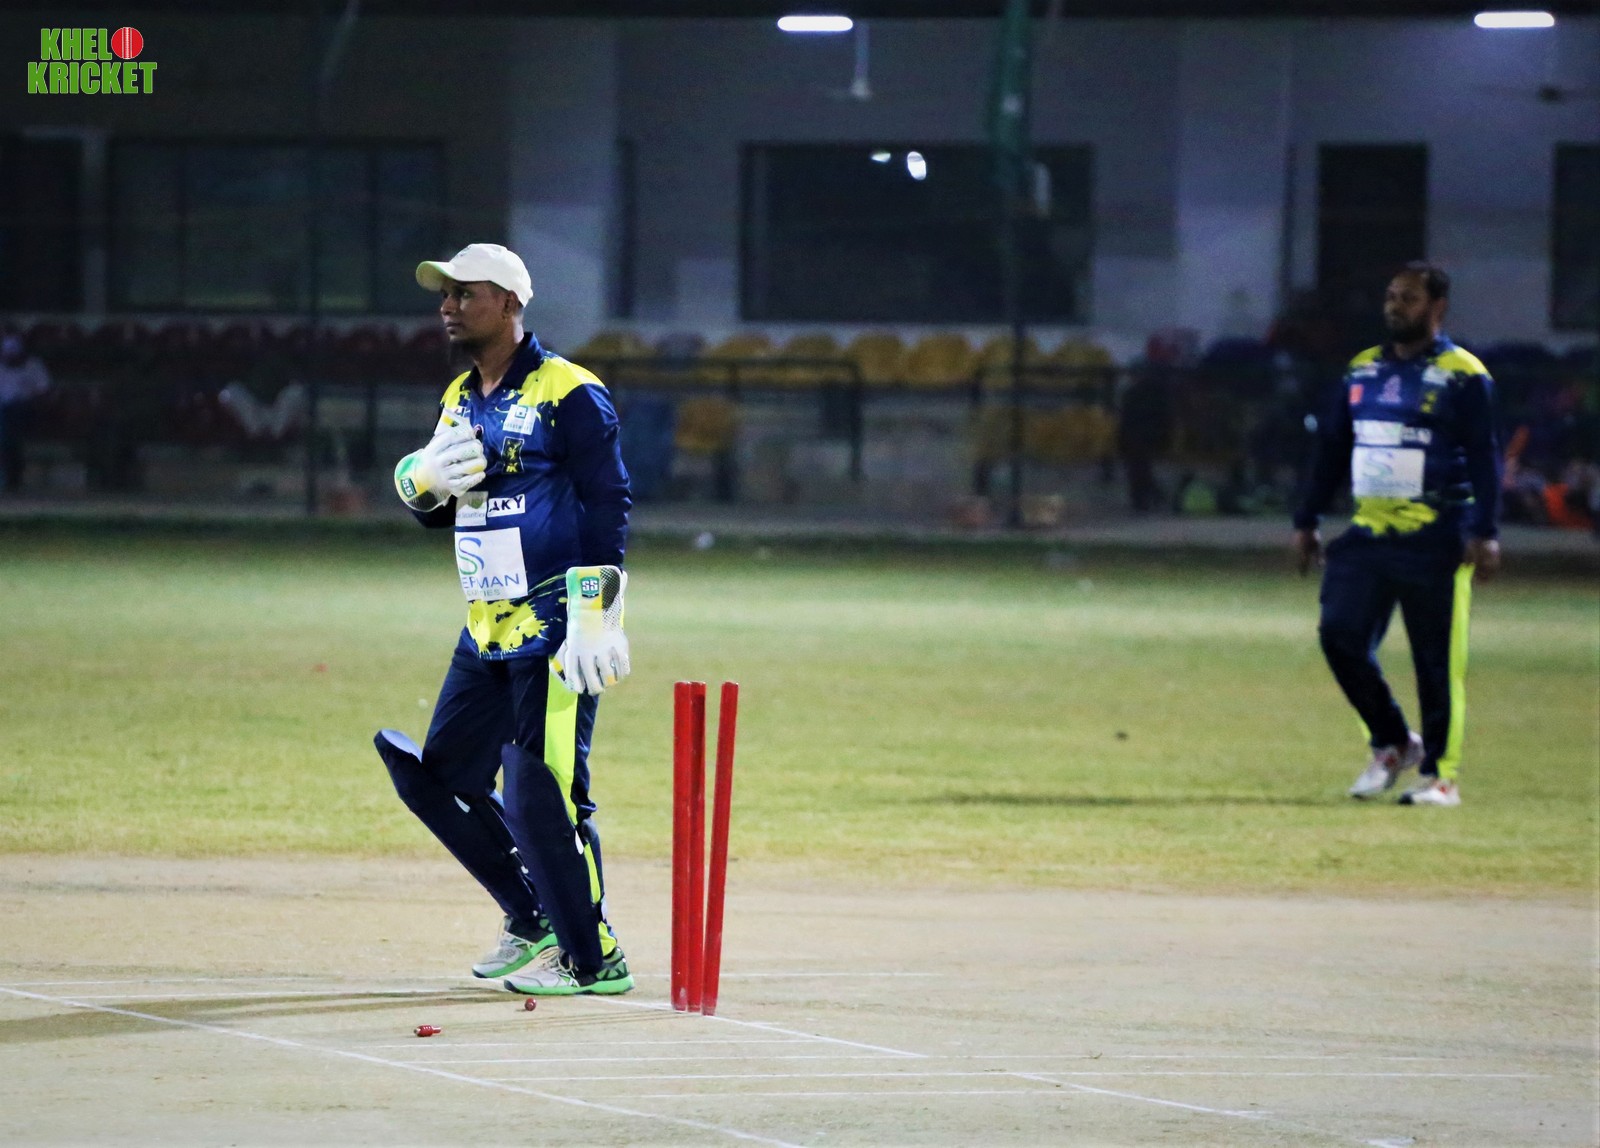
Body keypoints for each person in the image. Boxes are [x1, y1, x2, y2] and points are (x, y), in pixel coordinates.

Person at [374, 243, 635, 994]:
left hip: (554, 618)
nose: (448, 306)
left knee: (544, 790)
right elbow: (441, 509)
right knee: (438, 778)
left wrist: (597, 613)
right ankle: (534, 917)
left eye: (466, 293)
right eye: (445, 294)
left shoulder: (569, 391)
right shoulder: (460, 396)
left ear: (511, 303)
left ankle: (595, 958)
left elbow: (608, 501)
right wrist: (420, 481)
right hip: (486, 623)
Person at [1293, 262, 1501, 807]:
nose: (1395, 306)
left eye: (1409, 298)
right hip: (1368, 535)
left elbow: (1485, 456)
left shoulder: (1463, 374)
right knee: (1339, 634)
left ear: (1437, 307)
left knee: (1436, 661)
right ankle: (1392, 742)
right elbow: (1332, 449)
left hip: (1436, 535)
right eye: (1391, 296)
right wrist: (1307, 519)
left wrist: (1485, 530)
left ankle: (1440, 777)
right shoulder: (1362, 369)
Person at [0, 333, 52, 493]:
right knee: (6, 427)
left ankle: (13, 477)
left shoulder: (34, 366)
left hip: (26, 411)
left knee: (11, 423)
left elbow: (44, 392)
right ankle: (11, 476)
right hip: (4, 413)